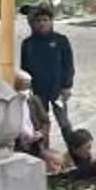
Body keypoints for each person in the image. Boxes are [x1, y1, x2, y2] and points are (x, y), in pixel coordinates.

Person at [19, 8, 72, 154]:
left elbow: (68, 65)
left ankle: (75, 152)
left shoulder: (61, 40)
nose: (42, 23)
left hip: (57, 89)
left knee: (64, 123)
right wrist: (26, 89)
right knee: (41, 124)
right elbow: (24, 68)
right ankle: (44, 153)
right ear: (33, 23)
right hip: (38, 91)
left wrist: (67, 86)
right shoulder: (28, 44)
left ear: (51, 21)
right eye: (38, 21)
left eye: (45, 20)